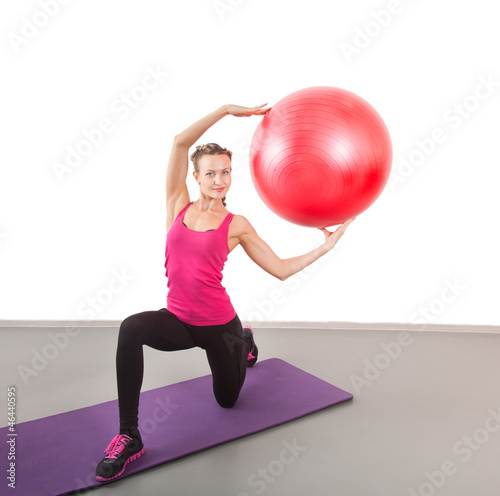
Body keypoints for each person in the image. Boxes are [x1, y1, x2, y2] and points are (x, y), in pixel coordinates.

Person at [95, 103, 355, 482]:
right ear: (196, 177)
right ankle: (128, 435)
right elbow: (180, 142)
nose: (220, 180)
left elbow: (280, 269)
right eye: (211, 173)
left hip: (220, 327)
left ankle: (244, 339)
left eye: (226, 172)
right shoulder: (177, 205)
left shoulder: (237, 225)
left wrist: (325, 248)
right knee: (131, 328)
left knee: (228, 401)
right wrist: (226, 110)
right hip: (178, 322)